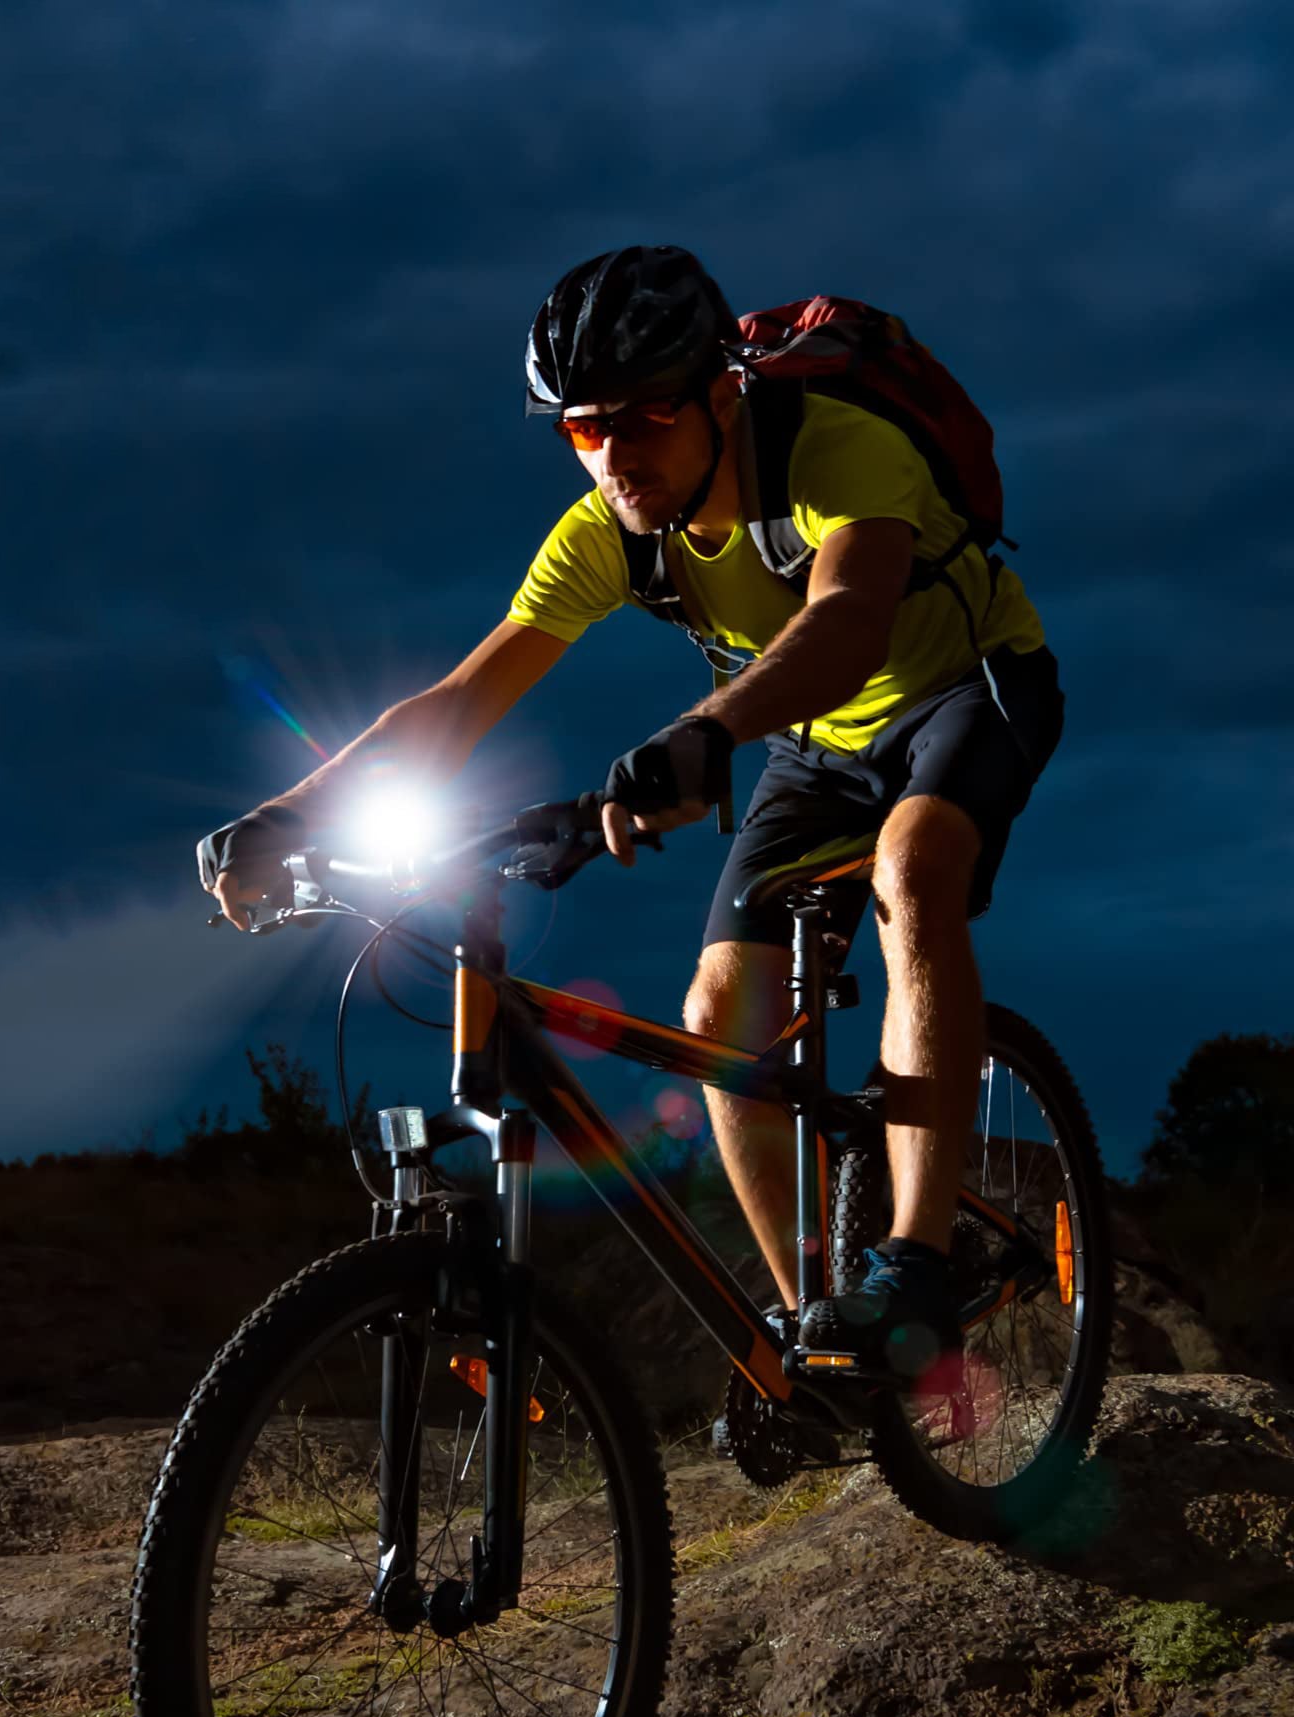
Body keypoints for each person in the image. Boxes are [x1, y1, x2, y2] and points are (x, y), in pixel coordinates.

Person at [198, 245, 1064, 1386]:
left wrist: (699, 733)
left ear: (719, 393)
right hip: (807, 740)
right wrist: (287, 813)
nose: (613, 453)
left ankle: (910, 1257)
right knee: (716, 1012)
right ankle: (809, 1333)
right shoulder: (608, 529)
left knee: (912, 870)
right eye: (579, 428)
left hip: (964, 688)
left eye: (643, 416)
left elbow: (848, 616)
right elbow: (465, 695)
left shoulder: (839, 451)